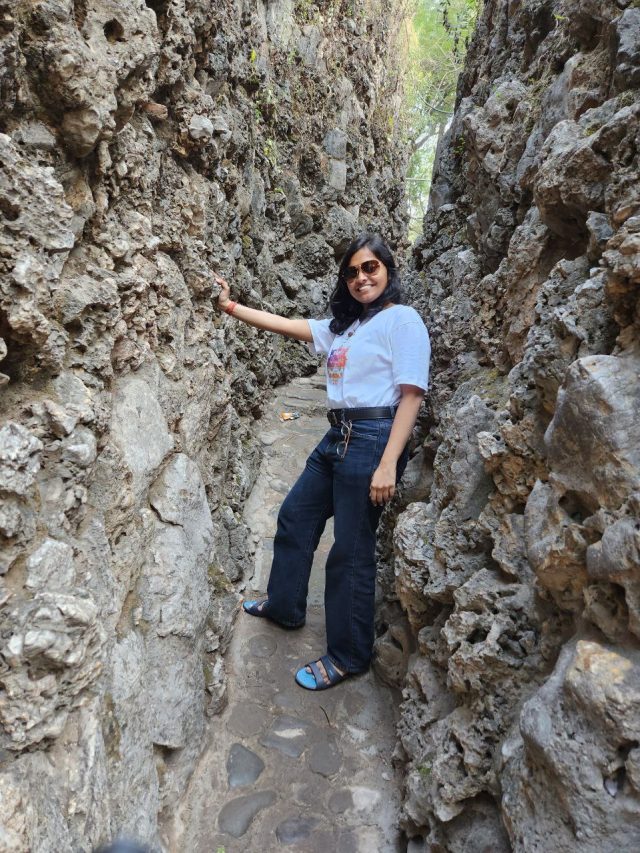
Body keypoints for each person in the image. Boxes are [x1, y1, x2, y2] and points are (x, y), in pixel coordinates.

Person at [214, 233, 430, 691]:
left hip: (373, 437)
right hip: (339, 434)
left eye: (370, 267)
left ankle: (348, 655)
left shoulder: (403, 321)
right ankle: (285, 605)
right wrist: (230, 307)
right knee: (296, 515)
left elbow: (412, 396)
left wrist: (389, 463)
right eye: (351, 271)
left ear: (388, 271)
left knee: (350, 551)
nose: (360, 277)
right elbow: (287, 324)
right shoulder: (346, 327)